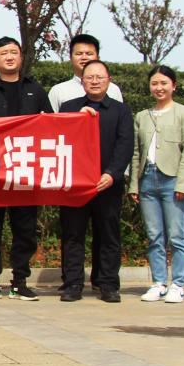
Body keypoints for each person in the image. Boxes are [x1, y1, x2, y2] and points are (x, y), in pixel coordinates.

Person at [0, 36, 52, 300]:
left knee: (25, 228)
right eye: (4, 53)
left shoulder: (36, 90)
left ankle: (20, 280)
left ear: (21, 57)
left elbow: (51, 126)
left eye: (14, 52)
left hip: (25, 169)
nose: (9, 57)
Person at [57, 60, 134, 302]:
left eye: (100, 77)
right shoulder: (69, 107)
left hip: (107, 183)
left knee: (108, 234)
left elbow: (125, 144)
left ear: (109, 80)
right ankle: (73, 283)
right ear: (82, 81)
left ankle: (108, 283)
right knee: (72, 234)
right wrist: (75, 119)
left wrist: (112, 173)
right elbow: (57, 138)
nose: (94, 81)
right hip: (76, 185)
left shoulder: (121, 110)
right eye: (89, 77)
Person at [130, 65, 184, 304]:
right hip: (147, 179)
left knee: (177, 235)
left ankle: (178, 284)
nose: (159, 88)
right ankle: (159, 282)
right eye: (154, 83)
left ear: (173, 86)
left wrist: (183, 184)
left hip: (173, 180)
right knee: (154, 235)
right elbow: (135, 153)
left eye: (164, 83)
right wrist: (134, 185)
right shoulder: (142, 116)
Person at [48, 34, 125, 112]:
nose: (84, 57)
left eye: (89, 54)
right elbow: (50, 119)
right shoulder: (58, 91)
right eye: (79, 54)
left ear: (98, 57)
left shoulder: (113, 89)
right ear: (70, 57)